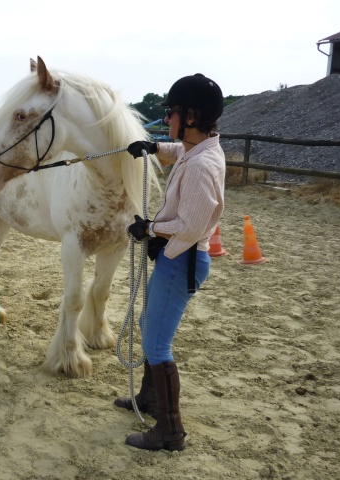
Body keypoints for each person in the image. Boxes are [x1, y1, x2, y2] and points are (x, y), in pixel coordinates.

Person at [116, 74, 226, 452]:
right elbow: (178, 152)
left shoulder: (201, 166)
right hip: (176, 258)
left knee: (157, 345)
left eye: (172, 114)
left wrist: (149, 229)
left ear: (191, 116)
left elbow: (190, 226)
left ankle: (169, 432)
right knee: (150, 327)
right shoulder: (198, 149)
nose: (167, 120)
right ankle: (148, 399)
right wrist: (153, 146)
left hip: (181, 261)